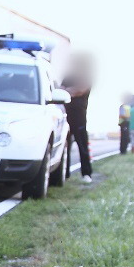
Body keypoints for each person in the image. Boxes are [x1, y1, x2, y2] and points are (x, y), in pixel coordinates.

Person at [61, 53, 94, 184]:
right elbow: (60, 89)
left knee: (82, 146)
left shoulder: (86, 77)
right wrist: (69, 90)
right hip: (65, 115)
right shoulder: (69, 77)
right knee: (65, 146)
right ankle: (65, 173)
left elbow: (79, 90)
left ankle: (86, 173)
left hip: (79, 117)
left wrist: (67, 91)